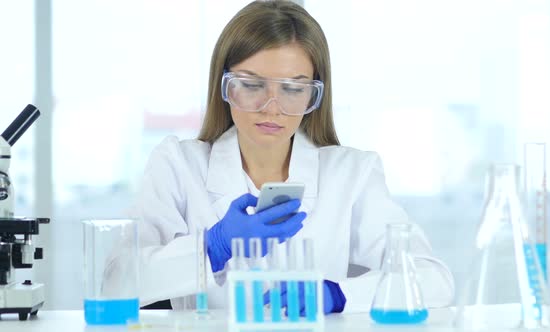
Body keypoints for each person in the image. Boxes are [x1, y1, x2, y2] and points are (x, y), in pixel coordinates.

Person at [124, 0, 454, 314]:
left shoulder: (352, 174)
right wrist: (212, 247)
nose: (272, 107)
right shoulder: (178, 165)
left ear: (314, 93)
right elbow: (117, 283)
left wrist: (339, 295)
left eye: (294, 89)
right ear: (225, 86)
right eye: (252, 85)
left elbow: (433, 279)